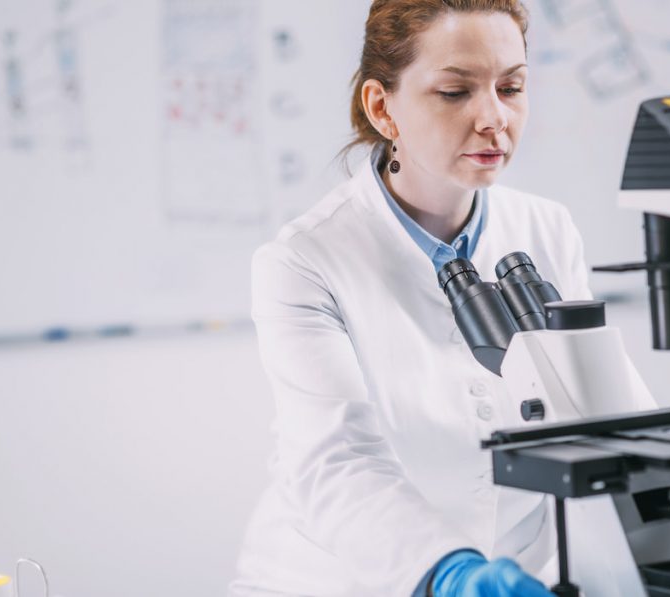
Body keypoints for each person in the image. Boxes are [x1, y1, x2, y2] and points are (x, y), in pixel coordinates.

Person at [229, 1, 605, 595]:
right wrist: (450, 573)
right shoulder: (303, 262)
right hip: (349, 579)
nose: (493, 118)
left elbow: (593, 412)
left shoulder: (547, 229)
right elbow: (336, 461)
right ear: (383, 108)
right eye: (455, 92)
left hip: (520, 573)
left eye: (511, 87)